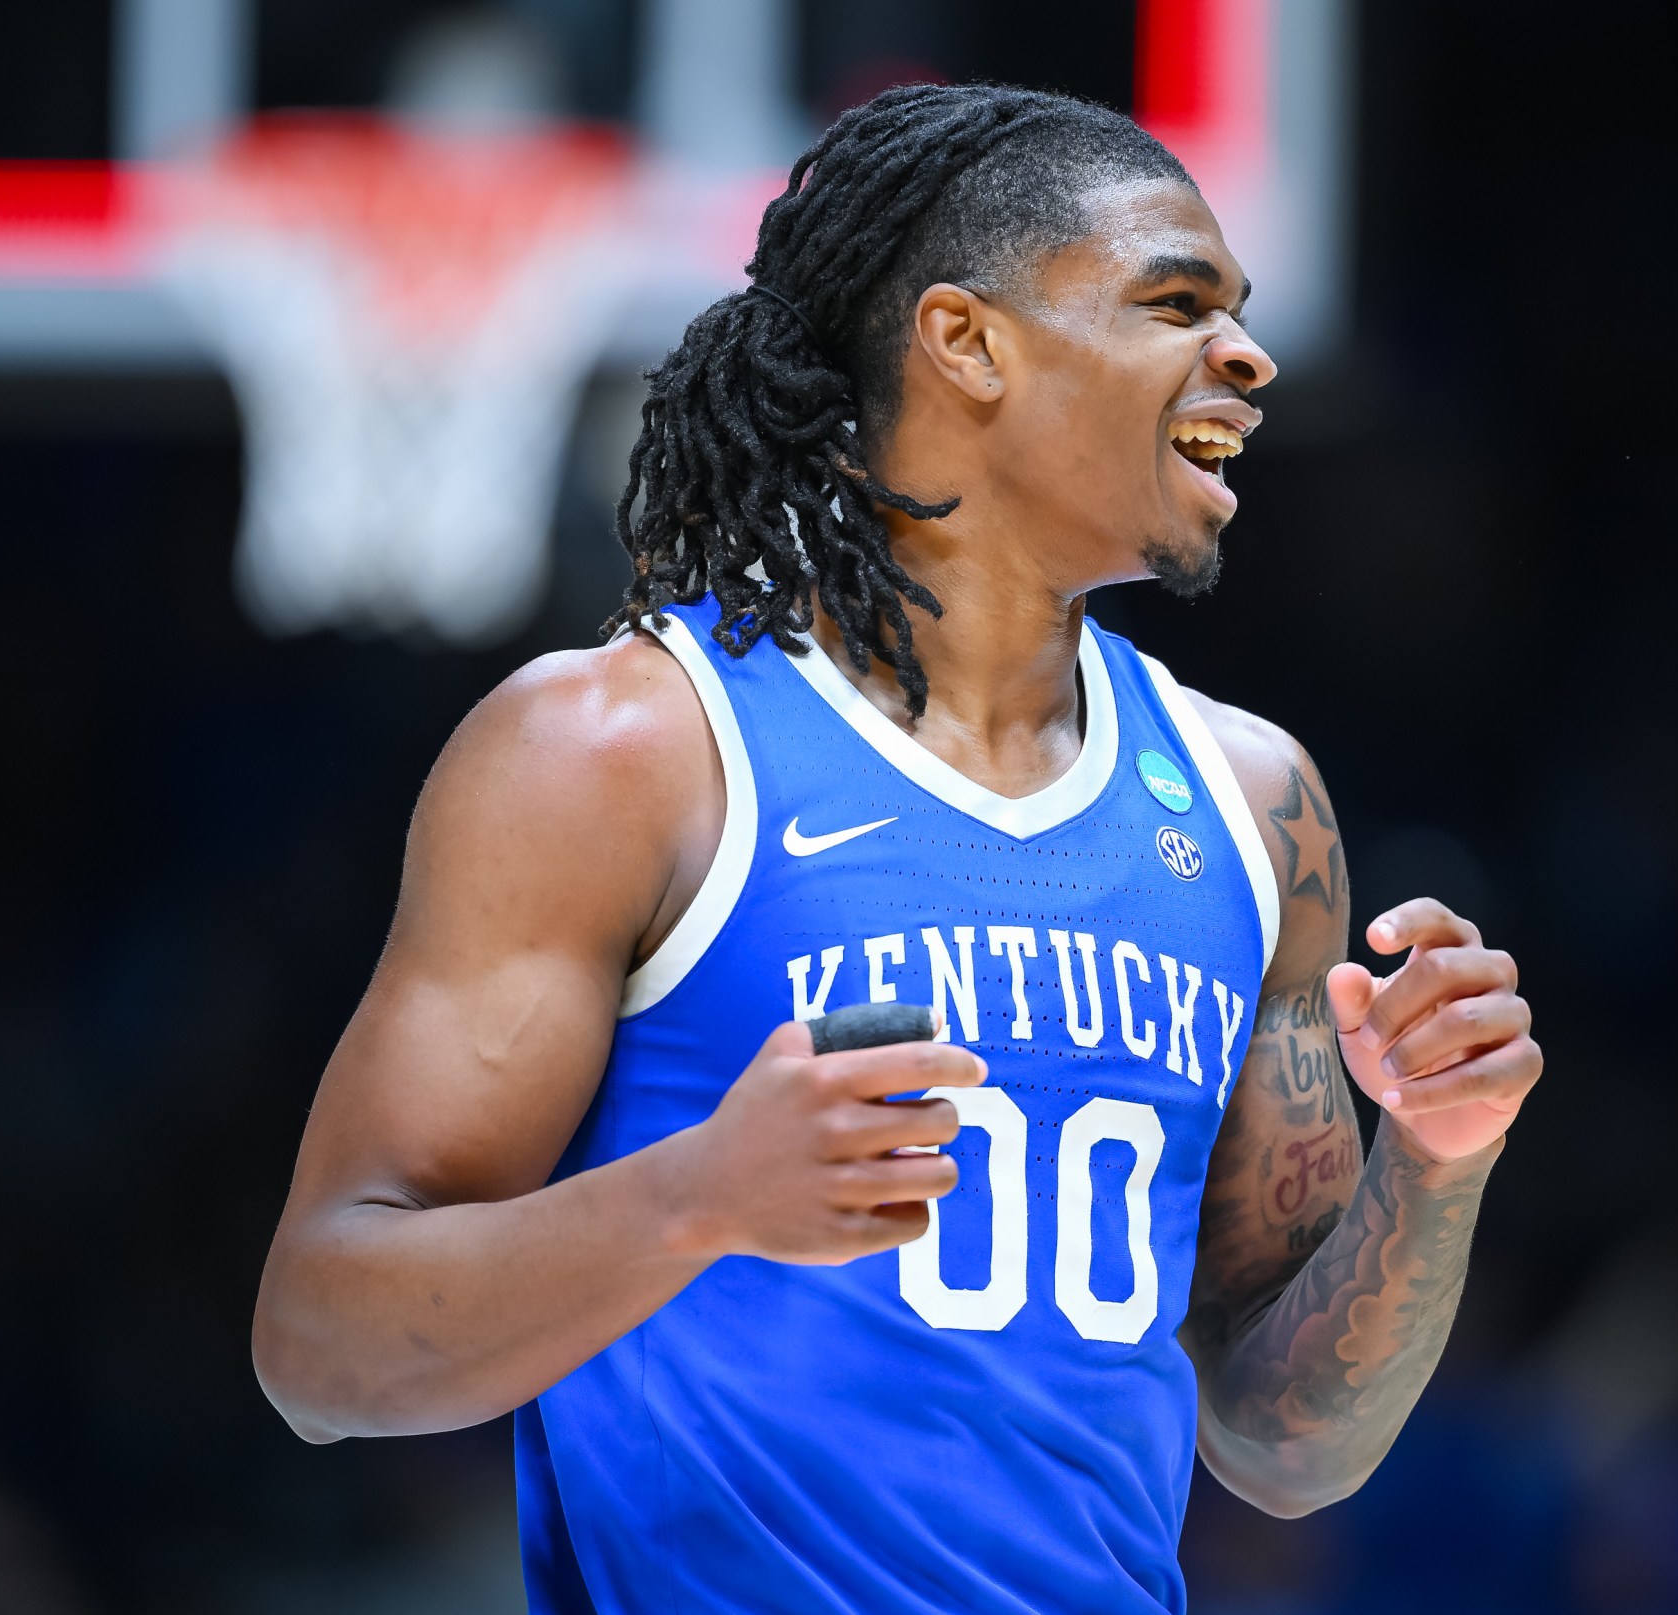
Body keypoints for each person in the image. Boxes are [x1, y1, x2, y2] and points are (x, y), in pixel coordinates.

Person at [251, 83, 1543, 1614]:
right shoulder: (624, 755)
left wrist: (1439, 1159)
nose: (1246, 359)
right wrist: (699, 1197)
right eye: (1175, 303)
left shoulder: (1257, 802)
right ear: (968, 343)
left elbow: (1279, 1442)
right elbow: (321, 1344)